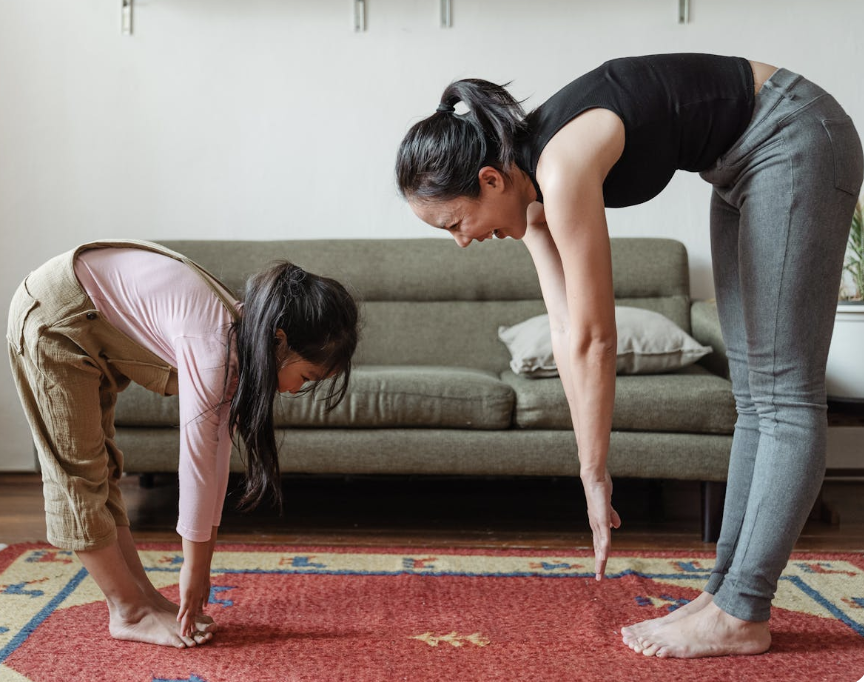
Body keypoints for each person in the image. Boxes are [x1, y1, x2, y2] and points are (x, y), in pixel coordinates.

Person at [395, 53, 864, 658]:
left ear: (490, 180)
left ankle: (742, 610)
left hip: (793, 135)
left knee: (784, 394)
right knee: (754, 397)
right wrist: (587, 468)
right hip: (737, 165)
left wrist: (597, 471)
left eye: (454, 223)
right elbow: (565, 330)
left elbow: (597, 336)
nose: (461, 242)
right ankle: (725, 593)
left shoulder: (560, 169)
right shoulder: (531, 194)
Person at [7, 239, 359, 648]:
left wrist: (202, 564)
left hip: (86, 318)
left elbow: (216, 457)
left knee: (102, 468)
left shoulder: (242, 342)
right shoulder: (214, 347)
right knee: (78, 477)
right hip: (54, 316)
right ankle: (129, 611)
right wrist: (193, 569)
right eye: (308, 378)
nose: (297, 390)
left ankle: (142, 599)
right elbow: (197, 465)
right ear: (280, 340)